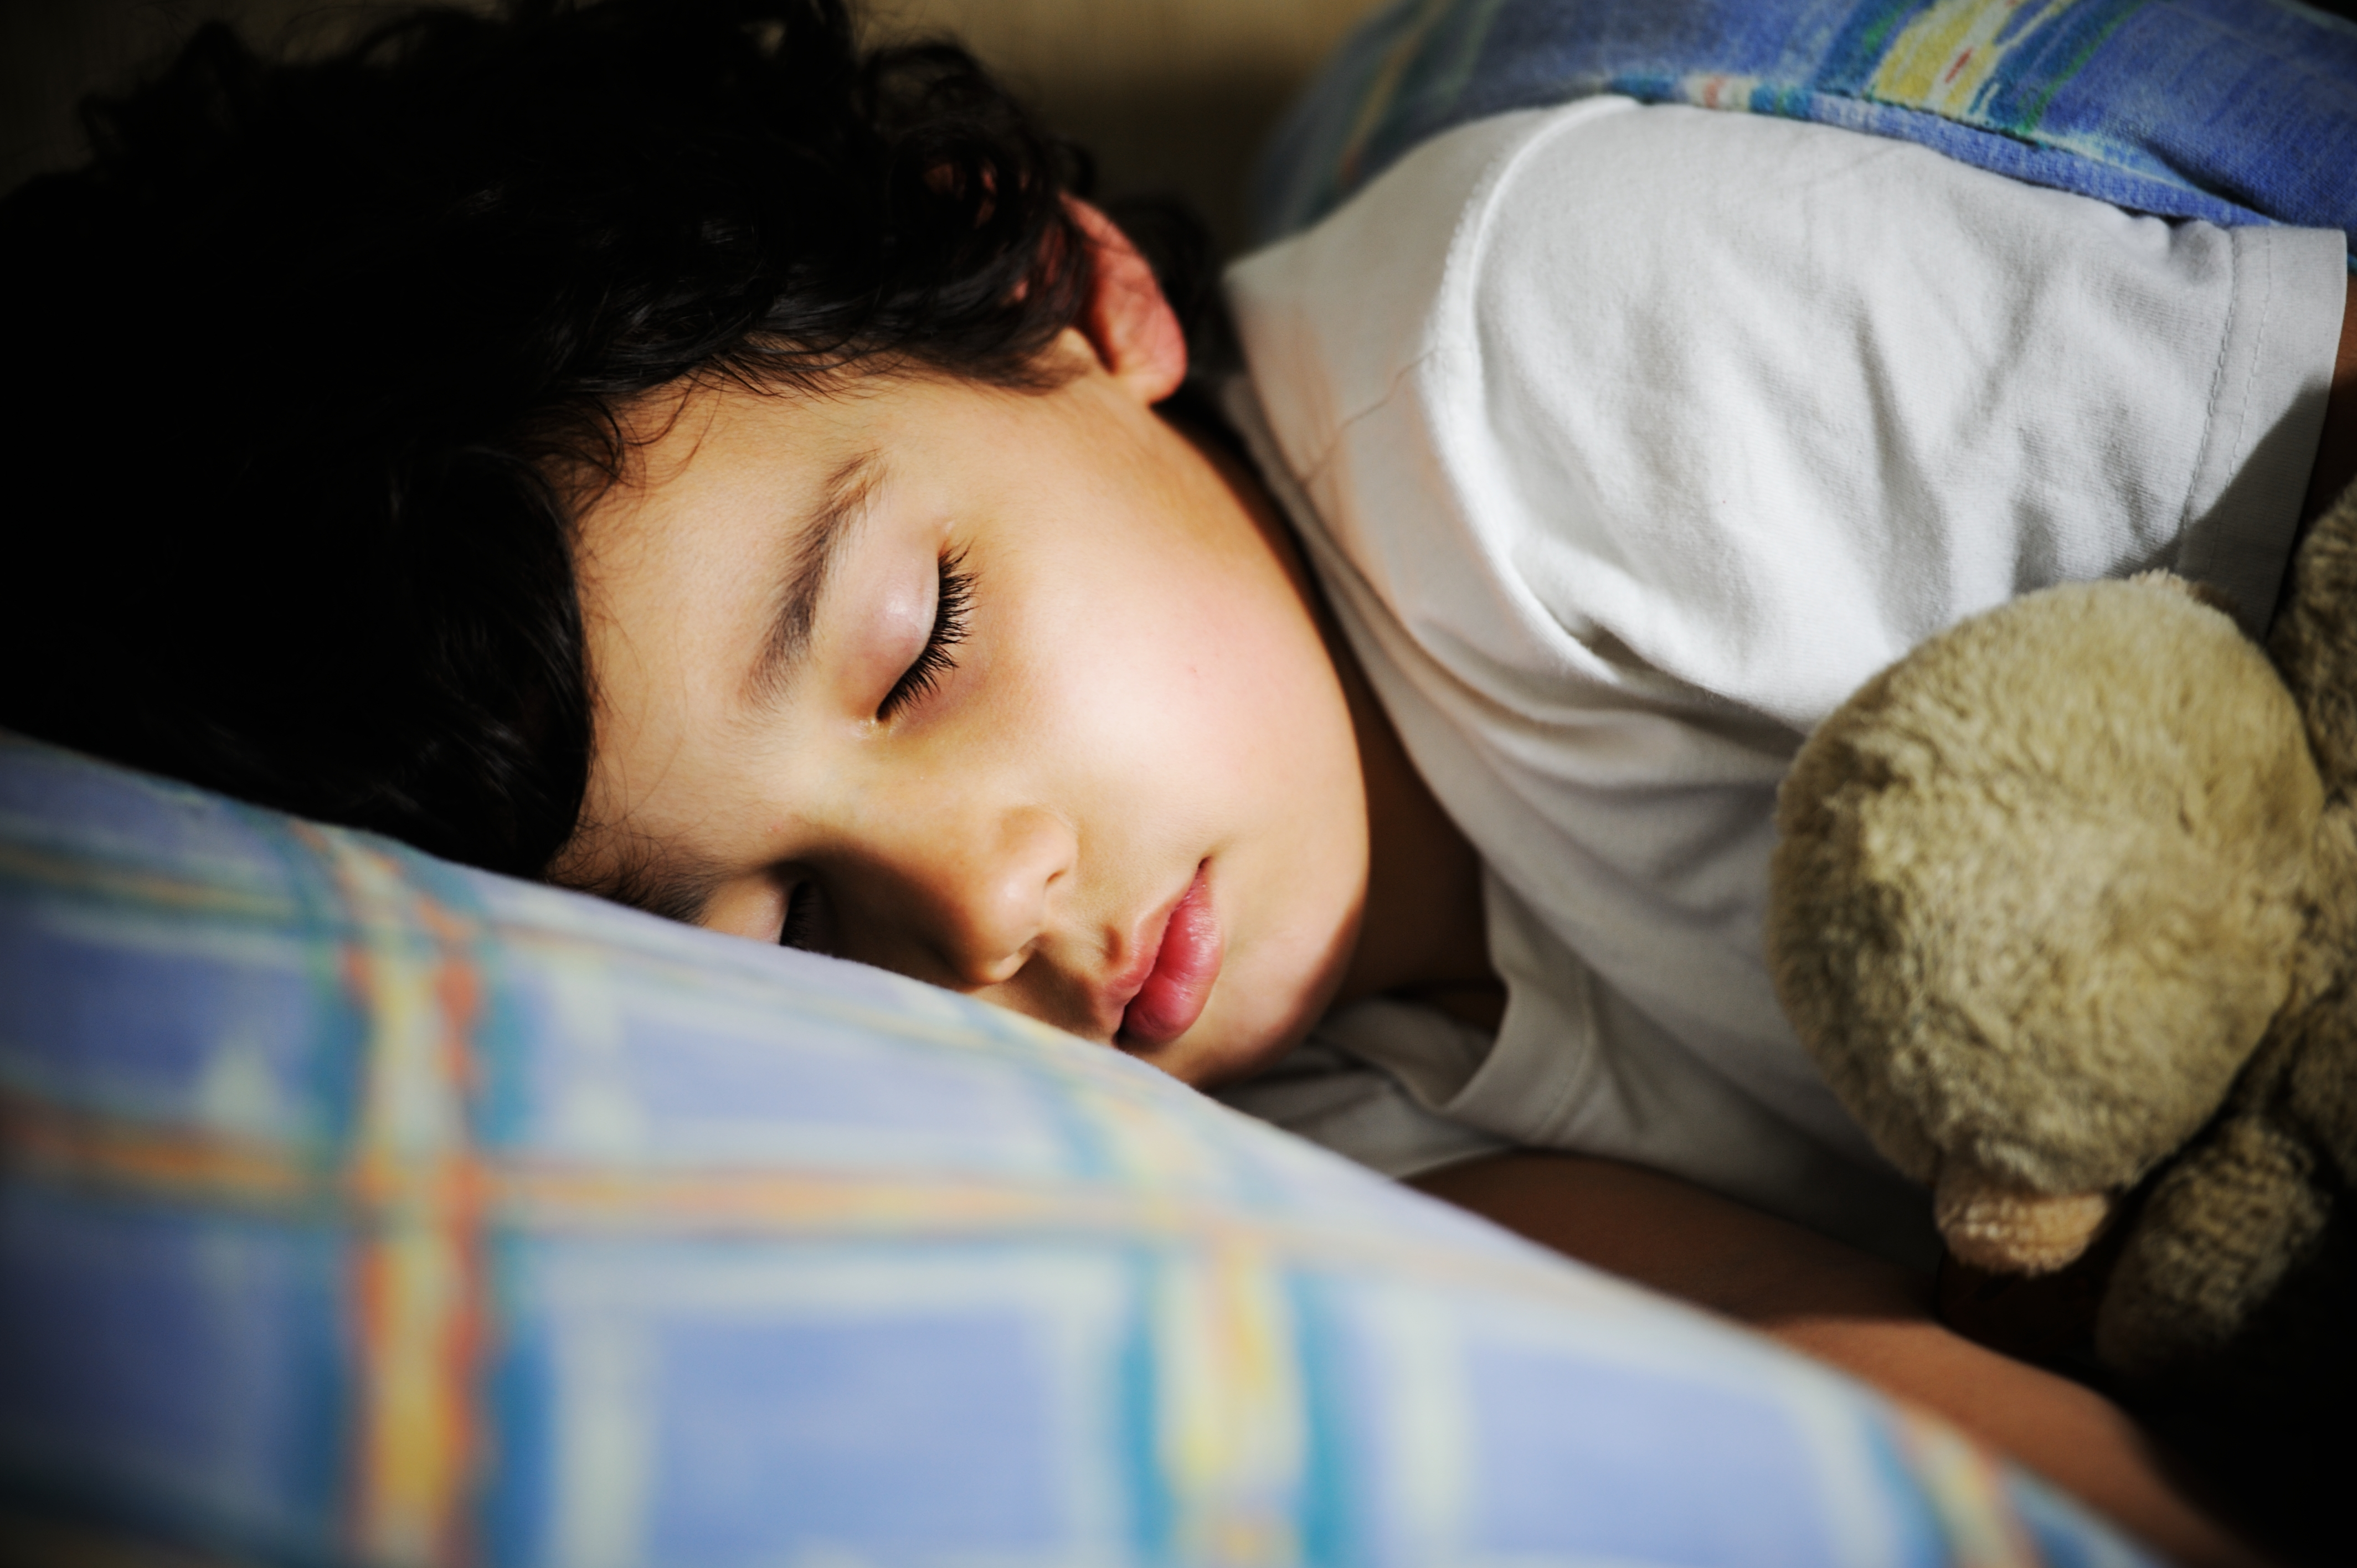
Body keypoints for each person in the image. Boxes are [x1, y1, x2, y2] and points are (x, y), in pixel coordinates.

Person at [4, 1, 2350, 1559]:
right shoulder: (1244, 1119)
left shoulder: (1543, 363)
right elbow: (1893, 1401)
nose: (984, 915)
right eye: (801, 934)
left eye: (919, 644)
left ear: (1058, 291)